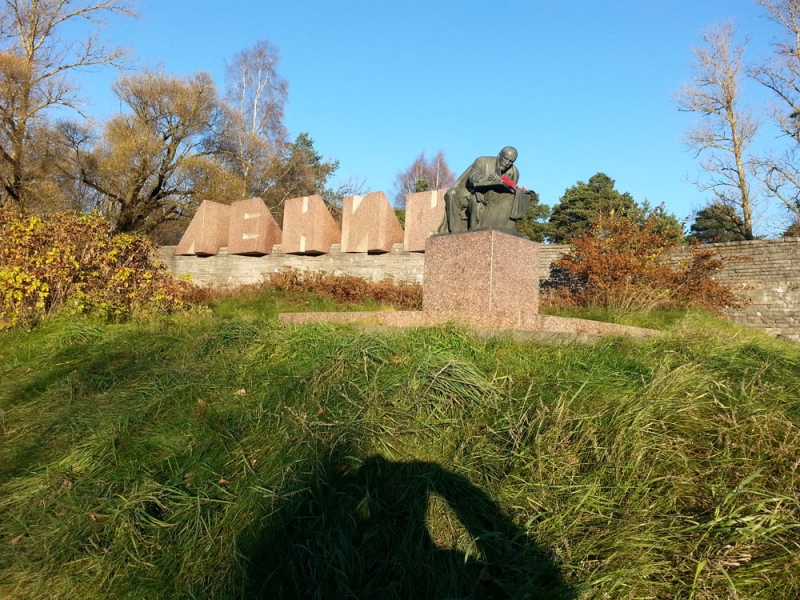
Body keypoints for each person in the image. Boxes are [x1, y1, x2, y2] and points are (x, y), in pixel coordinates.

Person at [438, 146, 520, 234]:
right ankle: (456, 233)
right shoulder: (482, 161)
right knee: (452, 193)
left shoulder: (514, 172)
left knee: (476, 200)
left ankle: (475, 233)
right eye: (505, 158)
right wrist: (487, 178)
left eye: (511, 161)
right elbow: (473, 176)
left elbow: (510, 192)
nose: (507, 163)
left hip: (493, 200)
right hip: (469, 192)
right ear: (499, 155)